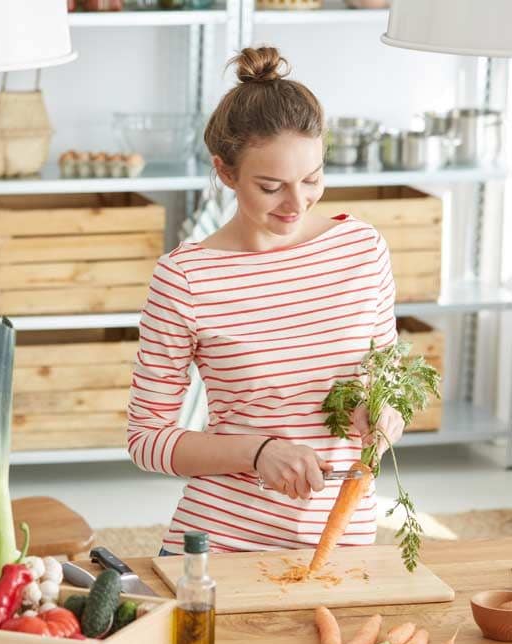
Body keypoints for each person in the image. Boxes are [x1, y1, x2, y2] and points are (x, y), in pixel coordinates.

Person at [127, 46, 405, 556]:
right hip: (222, 546)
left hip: (343, 539)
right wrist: (258, 453)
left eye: (313, 179)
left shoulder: (362, 249)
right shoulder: (185, 278)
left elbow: (387, 378)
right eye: (271, 186)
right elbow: (147, 439)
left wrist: (387, 414)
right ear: (226, 172)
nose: (296, 204)